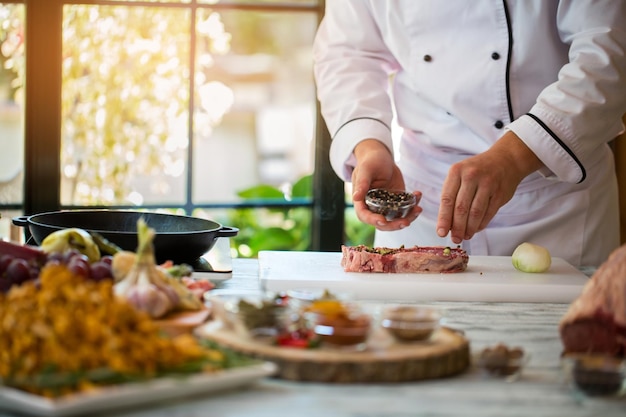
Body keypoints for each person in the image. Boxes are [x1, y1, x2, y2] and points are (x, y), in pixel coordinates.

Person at [312, 1, 626, 268]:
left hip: (552, 196)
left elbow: (607, 52)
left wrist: (514, 156)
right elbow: (348, 54)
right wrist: (370, 147)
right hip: (424, 201)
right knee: (414, 335)